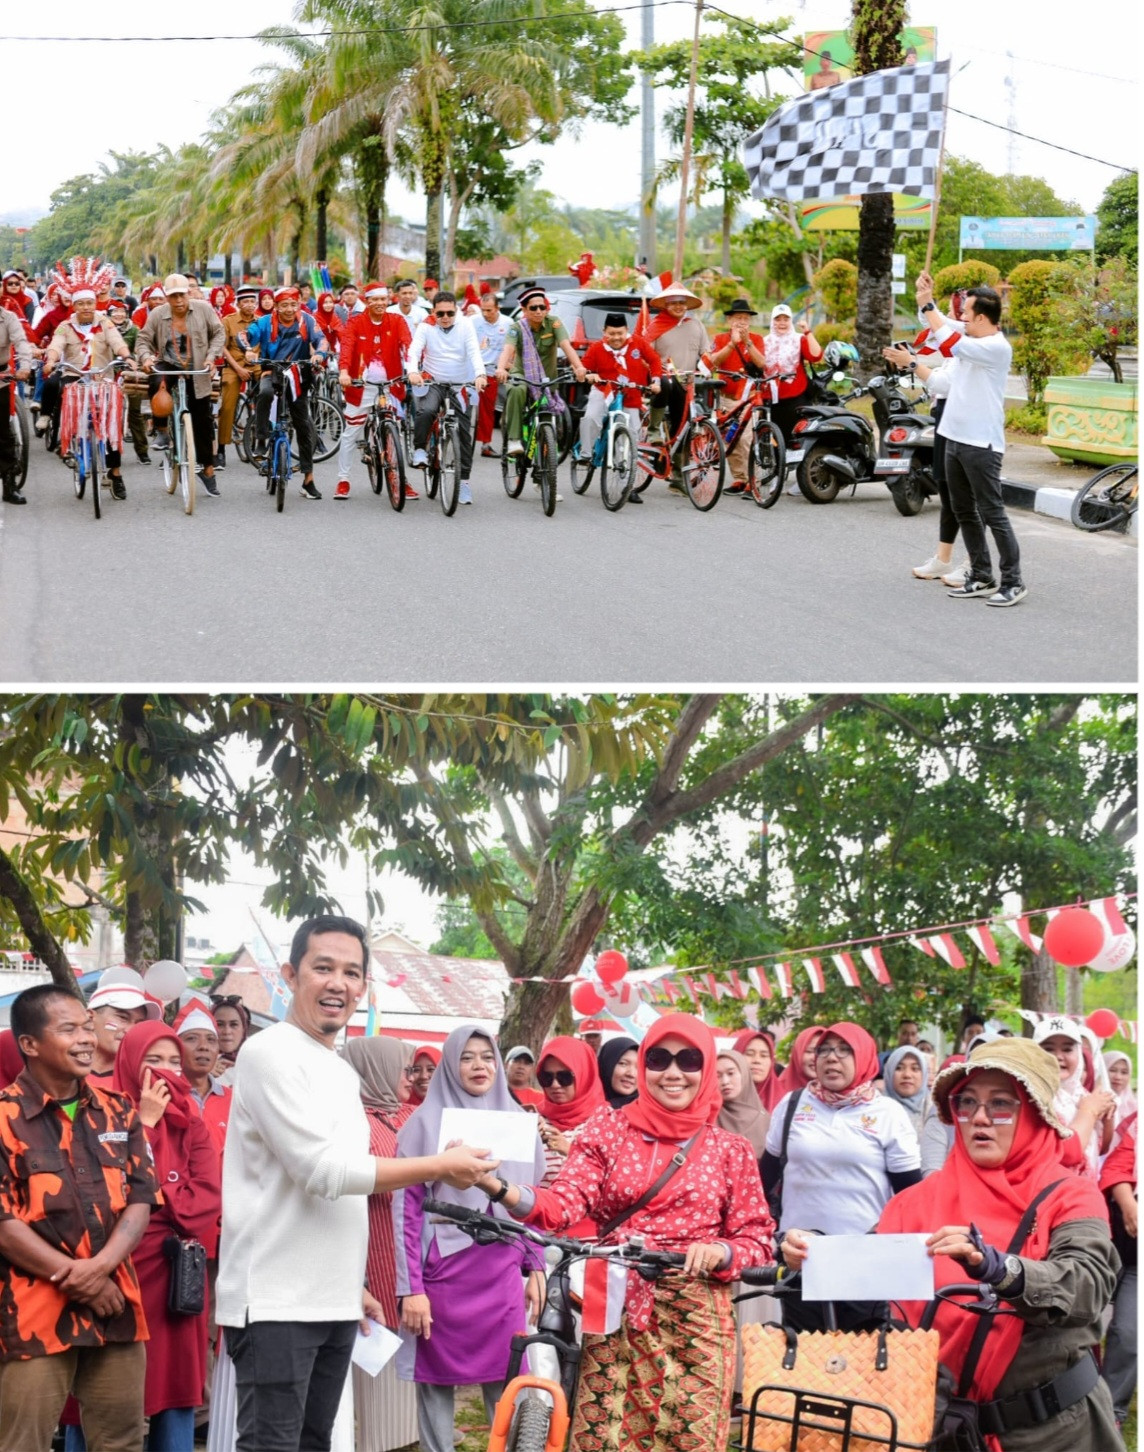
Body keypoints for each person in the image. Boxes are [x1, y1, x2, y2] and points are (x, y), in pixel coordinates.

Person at [215, 915, 495, 1452]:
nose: (338, 983)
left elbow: (342, 1185)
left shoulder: (340, 1069)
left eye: (351, 972)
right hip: (275, 1301)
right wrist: (438, 1165)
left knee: (315, 1442)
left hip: (332, 1301)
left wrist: (352, 1285)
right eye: (323, 968)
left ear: (364, 986)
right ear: (290, 975)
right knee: (271, 1445)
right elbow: (324, 1172)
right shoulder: (269, 1052)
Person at [475, 1013, 775, 1452]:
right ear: (644, 1067)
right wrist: (496, 1186)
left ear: (706, 1068)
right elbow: (563, 1204)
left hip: (696, 1321)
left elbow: (759, 1241)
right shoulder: (607, 1130)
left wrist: (721, 1250)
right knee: (604, 1439)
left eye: (688, 1060)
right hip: (615, 1312)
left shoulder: (730, 1150)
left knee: (688, 1440)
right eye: (659, 1058)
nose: (673, 1072)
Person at [867, 1038, 1123, 1451]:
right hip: (939, 1430)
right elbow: (867, 1274)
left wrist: (1000, 1269)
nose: (979, 1118)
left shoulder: (1072, 1194)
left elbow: (1086, 1286)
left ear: (1037, 1114)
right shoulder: (915, 1201)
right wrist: (813, 1252)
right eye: (966, 1103)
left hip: (1052, 1432)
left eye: (1000, 1104)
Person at [0, 984, 160, 1451]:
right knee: (22, 1442)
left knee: (122, 1441)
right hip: (33, 1311)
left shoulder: (119, 1109)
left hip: (116, 1306)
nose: (86, 1038)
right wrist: (79, 1277)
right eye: (69, 1029)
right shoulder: (4, 1117)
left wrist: (100, 1269)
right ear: (29, 1044)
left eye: (87, 1026)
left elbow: (142, 1198)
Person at [393, 1027, 547, 1452]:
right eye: (467, 1057)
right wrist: (411, 1290)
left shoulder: (518, 1121)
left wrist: (535, 1266)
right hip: (442, 1273)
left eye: (486, 1056)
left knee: (509, 1381)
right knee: (435, 1384)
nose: (479, 1066)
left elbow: (533, 1202)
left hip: (500, 1274)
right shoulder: (423, 1123)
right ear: (449, 1064)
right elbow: (404, 1213)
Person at [761, 1021, 921, 1330]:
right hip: (799, 1255)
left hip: (863, 1258)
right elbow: (763, 1178)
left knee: (860, 1362)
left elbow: (910, 1195)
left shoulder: (888, 1114)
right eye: (824, 1050)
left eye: (845, 1050)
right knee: (803, 1359)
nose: (832, 1058)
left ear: (864, 1058)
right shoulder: (792, 1104)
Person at [109, 1021, 222, 1451]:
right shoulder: (102, 1113)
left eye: (174, 1061)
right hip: (115, 1268)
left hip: (177, 1274)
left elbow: (205, 1201)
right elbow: (107, 1192)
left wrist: (161, 1193)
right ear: (131, 1062)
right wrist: (146, 1126)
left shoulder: (192, 1125)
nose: (166, 1071)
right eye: (153, 1061)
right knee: (102, 1387)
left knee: (175, 1388)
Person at [885, 274, 1025, 607]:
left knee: (992, 512)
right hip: (954, 438)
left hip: (982, 444)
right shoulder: (968, 344)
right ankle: (980, 574)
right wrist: (924, 304)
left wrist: (930, 306)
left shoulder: (993, 347)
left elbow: (946, 335)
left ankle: (1013, 581)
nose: (961, 317)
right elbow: (942, 380)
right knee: (963, 510)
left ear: (981, 317)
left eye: (966, 313)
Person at [340, 1037, 419, 1452]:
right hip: (377, 1270)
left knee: (417, 1403)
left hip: (420, 1272)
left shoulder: (413, 1116)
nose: (411, 1077)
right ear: (376, 1070)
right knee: (383, 1408)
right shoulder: (351, 1122)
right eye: (404, 1069)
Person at [42, 273, 133, 496]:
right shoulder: (65, 325)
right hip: (74, 376)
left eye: (89, 303)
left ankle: (115, 474)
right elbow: (56, 343)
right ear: (74, 306)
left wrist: (127, 356)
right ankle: (65, 440)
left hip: (102, 377)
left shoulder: (106, 322)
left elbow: (117, 342)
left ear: (95, 304)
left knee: (110, 425)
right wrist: (52, 359)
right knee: (55, 384)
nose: (85, 308)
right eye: (80, 304)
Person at [136, 273, 225, 498]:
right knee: (157, 380)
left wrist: (211, 357)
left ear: (188, 294)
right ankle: (163, 431)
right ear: (167, 297)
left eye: (182, 295)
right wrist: (146, 358)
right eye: (173, 296)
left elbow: (219, 333)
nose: (178, 301)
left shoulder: (203, 309)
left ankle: (208, 470)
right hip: (168, 365)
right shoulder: (157, 314)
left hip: (198, 368)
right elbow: (143, 340)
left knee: (203, 420)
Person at [243, 285, 327, 500]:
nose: (289, 309)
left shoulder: (307, 321)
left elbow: (323, 339)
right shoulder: (264, 322)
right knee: (264, 394)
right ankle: (261, 439)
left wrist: (318, 354)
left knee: (304, 426)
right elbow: (245, 336)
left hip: (298, 376)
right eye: (284, 305)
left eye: (293, 304)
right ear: (276, 307)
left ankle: (308, 479)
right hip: (271, 372)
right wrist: (248, 351)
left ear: (299, 304)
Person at [335, 281, 414, 500]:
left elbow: (407, 345)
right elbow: (347, 348)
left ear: (388, 300)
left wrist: (414, 369)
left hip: (391, 384)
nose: (379, 303)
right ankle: (343, 479)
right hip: (361, 385)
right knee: (351, 431)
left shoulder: (397, 320)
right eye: (375, 300)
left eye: (383, 299)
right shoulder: (356, 322)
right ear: (367, 301)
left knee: (395, 430)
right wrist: (344, 372)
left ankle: (402, 480)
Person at [407, 292, 486, 507]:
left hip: (461, 384)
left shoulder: (466, 325)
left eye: (450, 313)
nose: (445, 317)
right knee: (427, 410)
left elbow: (474, 352)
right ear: (433, 311)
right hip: (433, 381)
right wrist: (413, 371)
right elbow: (413, 352)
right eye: (440, 313)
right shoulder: (425, 327)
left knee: (463, 432)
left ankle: (464, 483)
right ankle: (421, 450)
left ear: (456, 311)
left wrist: (480, 374)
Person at [495, 287, 587, 470]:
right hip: (522, 374)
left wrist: (579, 367)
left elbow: (566, 346)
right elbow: (508, 350)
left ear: (547, 309)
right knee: (516, 389)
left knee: (548, 421)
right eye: (533, 308)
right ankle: (514, 439)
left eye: (542, 307)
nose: (538, 311)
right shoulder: (517, 328)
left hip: (547, 378)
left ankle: (543, 473)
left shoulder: (554, 324)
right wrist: (500, 368)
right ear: (524, 310)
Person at [579, 312, 661, 501]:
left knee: (630, 439)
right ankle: (585, 453)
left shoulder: (639, 344)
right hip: (603, 391)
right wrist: (589, 374)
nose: (616, 338)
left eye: (620, 333)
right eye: (612, 333)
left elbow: (655, 360)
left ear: (627, 331)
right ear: (604, 332)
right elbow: (584, 367)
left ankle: (627, 487)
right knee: (591, 417)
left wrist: (655, 381)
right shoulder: (597, 348)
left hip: (630, 395)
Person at [1033, 1018, 1116, 1177]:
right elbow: (1067, 1154)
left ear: (1078, 1053)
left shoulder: (1082, 1095)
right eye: (1048, 1049)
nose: (1058, 1056)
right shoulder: (1031, 1096)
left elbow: (1100, 1149)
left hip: (1085, 1193)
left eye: (1067, 1049)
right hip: (1052, 1194)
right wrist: (1089, 1111)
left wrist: (1107, 1117)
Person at [643, 283, 709, 474]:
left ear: (687, 304)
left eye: (682, 302)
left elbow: (706, 353)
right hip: (661, 379)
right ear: (665, 305)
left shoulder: (696, 325)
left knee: (683, 427)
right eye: (673, 303)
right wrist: (655, 368)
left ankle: (679, 473)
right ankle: (654, 428)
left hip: (686, 383)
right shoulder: (655, 326)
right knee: (664, 383)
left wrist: (708, 366)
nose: (678, 306)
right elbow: (645, 354)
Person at [708, 298, 769, 494]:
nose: (741, 322)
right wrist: (731, 345)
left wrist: (746, 342)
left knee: (748, 438)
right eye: (737, 318)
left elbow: (761, 364)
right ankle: (739, 479)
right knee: (730, 438)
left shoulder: (757, 339)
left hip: (748, 396)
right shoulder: (719, 339)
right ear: (729, 321)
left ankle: (753, 479)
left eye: (745, 318)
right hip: (726, 395)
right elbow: (713, 362)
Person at [1099, 1112, 1136, 1433]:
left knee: (1129, 1334)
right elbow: (1114, 1168)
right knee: (1083, 1321)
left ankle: (1112, 1409)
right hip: (1112, 1242)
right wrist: (1129, 1205)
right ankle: (1079, 1396)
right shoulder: (1138, 1123)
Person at [535, 1035, 607, 1169]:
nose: (555, 1085)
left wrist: (570, 1151)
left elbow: (614, 1179)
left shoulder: (608, 1123)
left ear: (584, 1075)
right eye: (546, 1077)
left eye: (564, 1077)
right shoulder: (536, 1120)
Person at [174, 1001, 231, 1161]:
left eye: (211, 1040)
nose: (203, 1047)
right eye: (192, 1038)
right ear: (175, 1046)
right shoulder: (164, 1094)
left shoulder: (233, 1100)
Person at [215, 283, 261, 471]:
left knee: (268, 394)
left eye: (253, 301)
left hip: (256, 365)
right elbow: (223, 347)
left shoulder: (261, 321)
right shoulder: (228, 321)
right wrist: (238, 368)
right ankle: (220, 450)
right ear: (238, 304)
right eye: (246, 302)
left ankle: (261, 442)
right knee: (227, 406)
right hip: (233, 366)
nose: (250, 305)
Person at [86, 982, 161, 1082]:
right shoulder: (63, 1071)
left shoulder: (143, 1082)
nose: (130, 1030)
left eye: (139, 1023)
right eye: (122, 1017)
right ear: (90, 1017)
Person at [471, 286, 512, 456]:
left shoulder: (508, 323)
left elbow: (512, 347)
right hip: (474, 370)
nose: (485, 314)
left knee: (488, 410)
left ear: (497, 309)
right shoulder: (473, 321)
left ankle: (486, 444)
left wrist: (508, 363)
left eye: (489, 310)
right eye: (483, 310)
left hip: (494, 371)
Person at [0, 303, 34, 503]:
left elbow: (21, 342)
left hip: (1, 378)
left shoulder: (8, 317)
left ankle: (9, 484)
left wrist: (25, 366)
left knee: (3, 433)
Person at [716, 1049, 770, 1163]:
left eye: (731, 1073)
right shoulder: (709, 1117)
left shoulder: (765, 1121)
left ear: (744, 1074)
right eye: (718, 1076)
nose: (725, 1081)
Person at [882, 1043, 933, 1140]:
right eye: (899, 1068)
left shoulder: (934, 1108)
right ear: (889, 1072)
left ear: (924, 1074)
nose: (907, 1075)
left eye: (915, 1069)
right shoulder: (877, 1108)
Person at [732, 1027, 785, 1112]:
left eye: (764, 1056)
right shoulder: (719, 1100)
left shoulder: (785, 1103)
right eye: (749, 1054)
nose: (757, 1060)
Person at [771, 1024, 823, 1099]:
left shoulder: (839, 1095)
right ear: (797, 1054)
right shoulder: (777, 1092)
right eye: (809, 1051)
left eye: (822, 1052)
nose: (815, 1058)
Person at [209, 994, 252, 1085]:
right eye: (219, 1024)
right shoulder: (196, 1062)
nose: (227, 1031)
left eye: (233, 1025)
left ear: (244, 1028)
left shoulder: (258, 1063)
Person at [597, 1035, 639, 1109]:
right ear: (606, 1064)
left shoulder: (647, 1113)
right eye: (623, 1064)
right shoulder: (583, 1108)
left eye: (638, 1067)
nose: (632, 1074)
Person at [1103, 1050, 1136, 1133]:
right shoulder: (1092, 1102)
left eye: (1124, 1072)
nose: (1118, 1077)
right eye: (1112, 1070)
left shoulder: (1134, 1107)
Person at [503, 1045, 544, 1109]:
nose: (521, 1067)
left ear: (532, 1069)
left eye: (527, 1063)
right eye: (516, 1061)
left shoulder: (541, 1099)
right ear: (506, 1065)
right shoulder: (495, 1095)